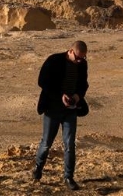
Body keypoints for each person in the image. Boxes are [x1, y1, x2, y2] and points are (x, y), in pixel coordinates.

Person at [32, 40, 89, 191]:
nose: (79, 61)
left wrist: (77, 96)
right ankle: (38, 168)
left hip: (71, 110)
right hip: (52, 109)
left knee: (70, 144)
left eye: (82, 58)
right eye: (77, 57)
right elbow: (42, 82)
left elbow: (84, 84)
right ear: (70, 51)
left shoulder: (82, 64)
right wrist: (60, 96)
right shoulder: (54, 60)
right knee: (46, 143)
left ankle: (68, 177)